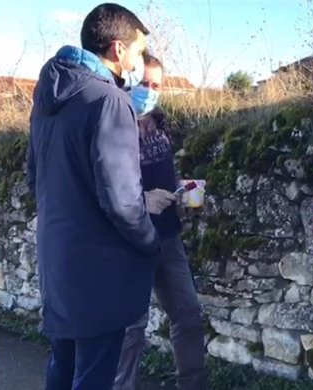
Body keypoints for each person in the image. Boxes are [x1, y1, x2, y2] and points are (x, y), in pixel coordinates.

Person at [26, 3, 162, 389]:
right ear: (118, 50)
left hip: (58, 264)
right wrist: (150, 241)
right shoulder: (109, 99)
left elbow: (33, 174)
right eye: (137, 51)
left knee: (62, 368)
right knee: (93, 377)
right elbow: (121, 200)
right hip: (99, 274)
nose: (137, 62)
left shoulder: (49, 96)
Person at [112, 53, 208, 390]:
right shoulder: (112, 122)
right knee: (130, 330)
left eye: (157, 86)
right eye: (145, 84)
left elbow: (160, 171)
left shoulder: (160, 120)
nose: (150, 91)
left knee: (188, 315)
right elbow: (103, 186)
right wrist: (143, 200)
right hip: (132, 241)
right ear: (129, 82)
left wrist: (180, 188)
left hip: (168, 235)